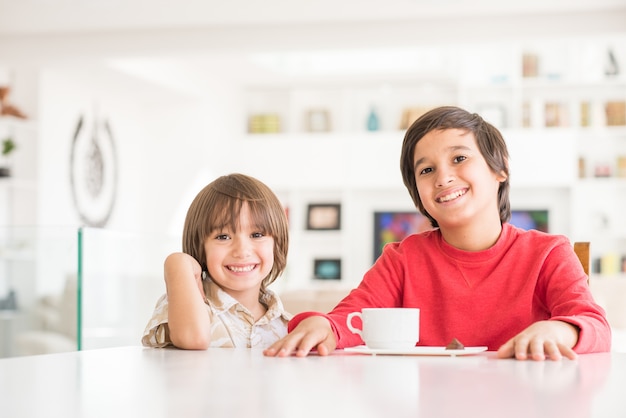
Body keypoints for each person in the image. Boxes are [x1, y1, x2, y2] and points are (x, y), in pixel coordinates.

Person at [264, 106, 611, 361]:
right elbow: (353, 317)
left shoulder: (548, 253)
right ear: (418, 194)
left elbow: (593, 323)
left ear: (499, 167)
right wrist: (324, 326)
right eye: (427, 170)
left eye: (459, 159)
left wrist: (559, 329)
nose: (443, 177)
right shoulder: (402, 258)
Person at [142, 173, 291, 349]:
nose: (242, 251)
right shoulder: (186, 302)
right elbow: (193, 338)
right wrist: (176, 263)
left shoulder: (287, 325)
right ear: (200, 246)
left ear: (277, 243)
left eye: (257, 235)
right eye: (223, 237)